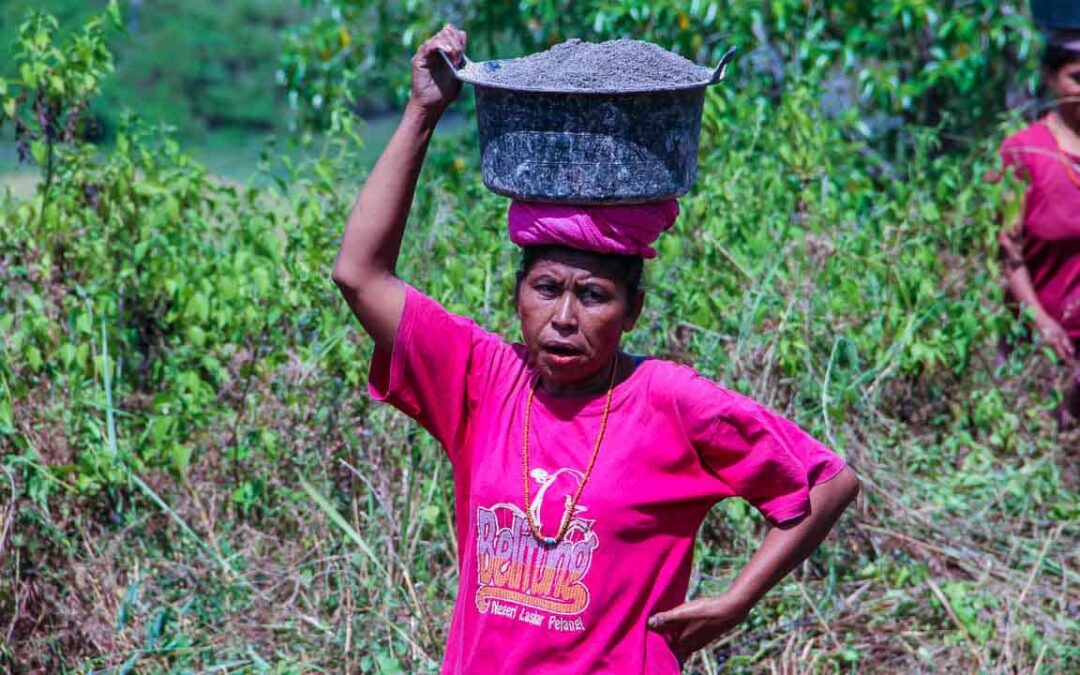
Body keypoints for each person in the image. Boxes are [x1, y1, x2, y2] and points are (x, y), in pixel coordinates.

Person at [332, 25, 860, 674]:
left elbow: (827, 481)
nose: (563, 317)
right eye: (546, 287)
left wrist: (736, 600)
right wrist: (422, 111)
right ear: (518, 292)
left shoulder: (668, 402)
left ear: (633, 309)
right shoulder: (483, 380)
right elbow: (359, 273)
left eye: (594, 295)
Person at [998, 31, 1080, 425]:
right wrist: (1041, 323)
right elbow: (1007, 254)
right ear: (1050, 77)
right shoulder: (1024, 152)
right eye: (1077, 78)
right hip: (1047, 352)